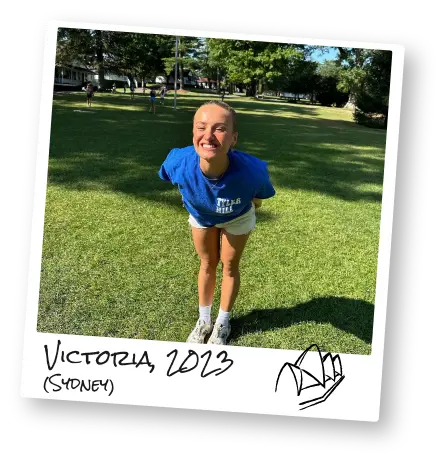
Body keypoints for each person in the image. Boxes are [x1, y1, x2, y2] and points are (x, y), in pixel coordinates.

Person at [158, 101, 275, 345]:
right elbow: (169, 177)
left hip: (238, 216)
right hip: (201, 216)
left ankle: (223, 322)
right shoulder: (177, 162)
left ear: (233, 138)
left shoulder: (253, 171)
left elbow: (259, 198)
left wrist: (244, 203)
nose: (208, 136)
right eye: (201, 127)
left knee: (230, 265)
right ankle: (204, 321)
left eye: (219, 129)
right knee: (207, 262)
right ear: (193, 133)